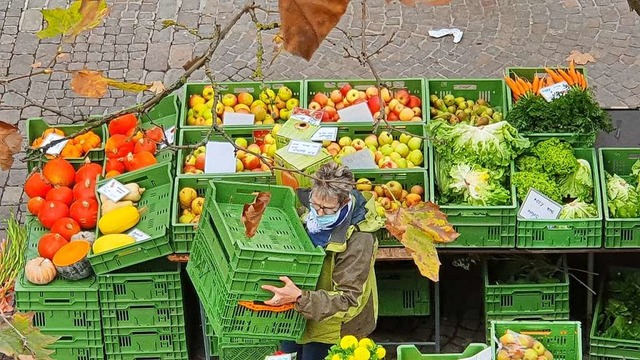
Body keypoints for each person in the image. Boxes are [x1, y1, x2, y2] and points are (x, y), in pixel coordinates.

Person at [262, 162, 380, 360]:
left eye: (327, 209)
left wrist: (300, 297)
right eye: (315, 205)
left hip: (333, 325)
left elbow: (347, 299)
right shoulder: (306, 211)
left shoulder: (360, 239)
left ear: (344, 203)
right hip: (295, 312)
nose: (319, 213)